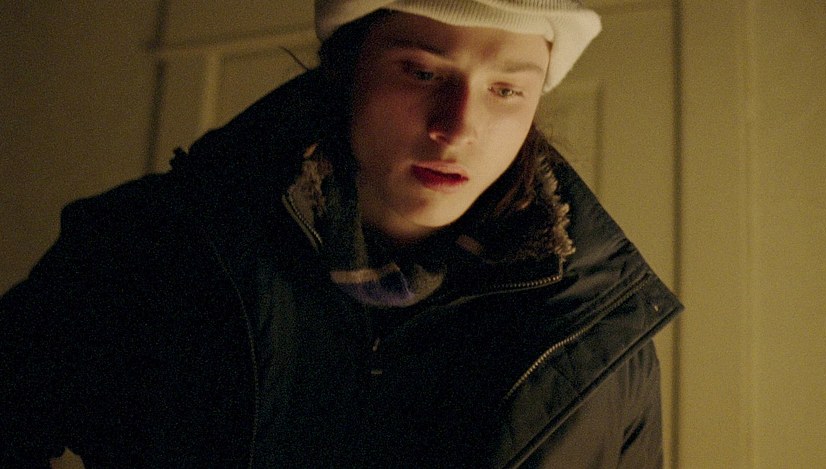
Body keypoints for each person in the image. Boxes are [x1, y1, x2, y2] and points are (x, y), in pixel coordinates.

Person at [1, 1, 682, 467]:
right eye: (421, 72)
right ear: (347, 69)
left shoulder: (600, 338)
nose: (456, 127)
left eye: (506, 90)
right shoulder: (150, 245)